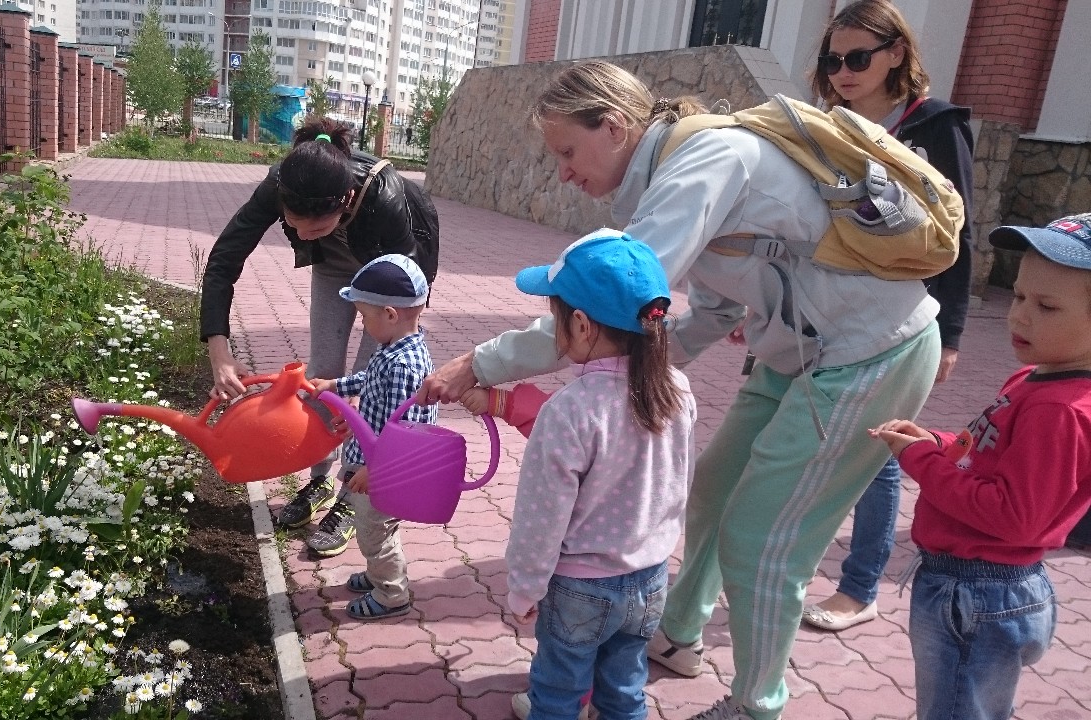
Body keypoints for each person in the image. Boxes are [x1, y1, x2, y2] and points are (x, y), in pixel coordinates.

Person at [417, 59, 944, 720]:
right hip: (797, 354)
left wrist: (479, 364)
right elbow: (714, 313)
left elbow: (604, 305)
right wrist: (634, 378)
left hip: (870, 350)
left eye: (568, 151)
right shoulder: (679, 171)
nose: (564, 173)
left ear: (614, 127)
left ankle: (755, 706)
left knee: (760, 541)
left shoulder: (703, 164)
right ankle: (677, 635)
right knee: (713, 492)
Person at [870, 213, 1091, 720]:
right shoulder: (1035, 377)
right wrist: (937, 441)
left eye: (1046, 306)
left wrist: (921, 461)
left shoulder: (1060, 410)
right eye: (1018, 296)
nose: (1019, 317)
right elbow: (985, 451)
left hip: (980, 594)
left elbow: (1016, 517)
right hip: (974, 588)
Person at [800, 0, 976, 632]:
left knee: (875, 451)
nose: (843, 72)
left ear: (896, 52)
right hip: (826, 312)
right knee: (805, 439)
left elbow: (958, 237)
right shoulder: (827, 126)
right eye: (832, 61)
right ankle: (788, 565)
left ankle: (859, 588)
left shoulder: (933, 126)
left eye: (858, 58)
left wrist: (950, 336)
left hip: (901, 319)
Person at [470, 229, 695, 720]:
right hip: (651, 579)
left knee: (556, 695)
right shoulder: (678, 390)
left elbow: (540, 516)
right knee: (625, 691)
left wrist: (525, 587)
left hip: (580, 589)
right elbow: (677, 485)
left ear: (580, 324)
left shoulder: (571, 410)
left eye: (555, 318)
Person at [200, 117, 439, 557]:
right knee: (323, 374)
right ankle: (318, 479)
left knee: (373, 383)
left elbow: (411, 283)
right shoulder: (282, 183)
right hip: (334, 271)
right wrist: (219, 348)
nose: (302, 235)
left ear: (345, 200)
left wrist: (378, 371)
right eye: (294, 227)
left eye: (315, 229)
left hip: (389, 285)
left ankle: (352, 496)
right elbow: (224, 260)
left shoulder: (384, 195)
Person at [307, 254, 437, 620]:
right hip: (376, 464)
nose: (362, 324)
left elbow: (403, 433)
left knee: (375, 533)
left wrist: (375, 470)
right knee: (376, 530)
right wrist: (337, 385)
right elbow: (370, 378)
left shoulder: (403, 366)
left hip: (385, 473)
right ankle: (379, 573)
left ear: (390, 315)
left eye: (364, 317)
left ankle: (392, 595)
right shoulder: (397, 349)